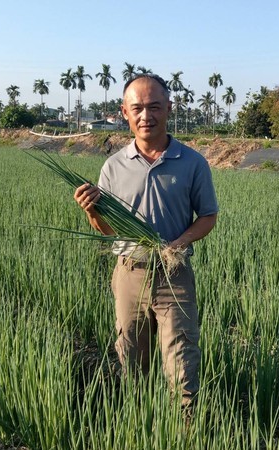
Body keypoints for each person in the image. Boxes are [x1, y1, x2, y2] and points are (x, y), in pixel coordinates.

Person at [73, 74, 218, 410]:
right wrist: (91, 212)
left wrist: (178, 243)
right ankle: (140, 425)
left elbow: (208, 216)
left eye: (154, 107)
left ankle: (186, 431)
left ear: (169, 108)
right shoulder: (113, 166)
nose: (146, 116)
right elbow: (108, 230)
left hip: (174, 275)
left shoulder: (193, 163)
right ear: (124, 112)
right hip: (130, 274)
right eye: (137, 108)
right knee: (131, 364)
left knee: (182, 365)